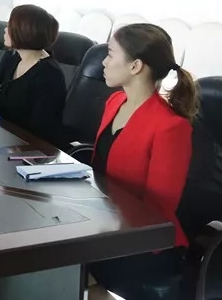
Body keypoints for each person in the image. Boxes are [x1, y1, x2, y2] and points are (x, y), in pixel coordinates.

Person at [88, 23, 198, 300]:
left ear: (135, 66)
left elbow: (158, 210)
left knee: (61, 270)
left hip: (144, 243)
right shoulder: (115, 102)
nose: (104, 62)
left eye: (110, 54)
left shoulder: (170, 127)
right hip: (104, 223)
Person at [0, 5, 67, 148]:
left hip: (31, 148)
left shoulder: (49, 74)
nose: (5, 30)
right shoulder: (13, 58)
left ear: (24, 32)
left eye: (10, 26)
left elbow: (41, 128)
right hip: (4, 137)